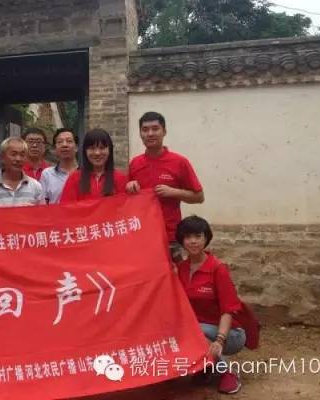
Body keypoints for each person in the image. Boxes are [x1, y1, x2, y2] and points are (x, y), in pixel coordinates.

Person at [176, 216, 245, 395]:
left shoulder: (218, 269)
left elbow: (228, 310)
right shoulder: (181, 269)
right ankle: (206, 366)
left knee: (193, 331)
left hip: (229, 333)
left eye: (198, 236)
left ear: (206, 238)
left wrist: (220, 339)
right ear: (181, 240)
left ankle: (227, 372)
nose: (193, 241)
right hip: (199, 330)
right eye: (188, 237)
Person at [126, 112, 204, 261]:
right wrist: (129, 187)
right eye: (145, 129)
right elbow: (126, 201)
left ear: (164, 131)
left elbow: (199, 197)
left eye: (155, 129)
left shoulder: (179, 162)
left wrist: (173, 192)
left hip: (171, 237)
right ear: (140, 134)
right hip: (141, 235)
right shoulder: (135, 164)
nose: (150, 133)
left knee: (173, 274)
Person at [59, 128, 127, 202]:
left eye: (102, 148)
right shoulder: (74, 179)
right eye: (92, 148)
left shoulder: (121, 179)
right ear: (85, 151)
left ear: (110, 150)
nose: (97, 153)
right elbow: (66, 207)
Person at [0, 137, 44, 207]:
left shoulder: (35, 186)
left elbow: (42, 212)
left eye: (22, 155)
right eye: (13, 154)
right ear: (2, 157)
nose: (18, 159)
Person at [40, 128, 78, 204]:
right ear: (55, 149)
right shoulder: (47, 174)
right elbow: (43, 205)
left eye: (69, 141)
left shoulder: (87, 173)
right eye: (60, 142)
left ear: (76, 147)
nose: (64, 145)